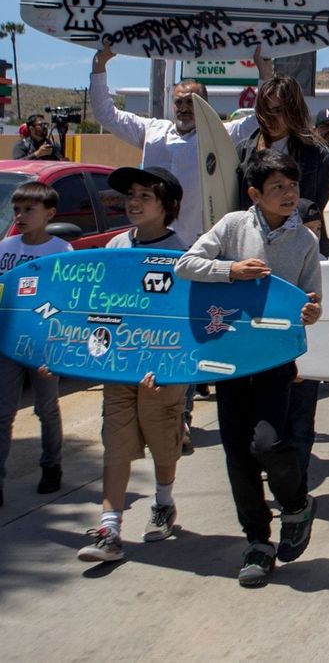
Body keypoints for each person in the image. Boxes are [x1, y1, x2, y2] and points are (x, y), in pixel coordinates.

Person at [176, 149, 323, 587]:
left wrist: (311, 313)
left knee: (267, 441)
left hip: (276, 357)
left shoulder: (306, 242)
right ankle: (258, 542)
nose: (288, 194)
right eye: (277, 187)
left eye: (293, 186)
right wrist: (230, 270)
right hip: (229, 358)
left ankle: (296, 505)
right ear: (255, 194)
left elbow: (312, 300)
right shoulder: (232, 227)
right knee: (237, 451)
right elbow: (186, 265)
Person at [76, 167, 189, 562]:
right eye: (130, 196)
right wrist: (69, 353)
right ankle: (109, 528)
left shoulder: (183, 252)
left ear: (167, 206)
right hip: (118, 366)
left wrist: (173, 369)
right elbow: (98, 309)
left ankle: (163, 502)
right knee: (117, 443)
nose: (133, 203)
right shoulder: (115, 247)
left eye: (145, 196)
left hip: (161, 370)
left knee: (162, 441)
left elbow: (185, 321)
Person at [234, 75, 329, 489]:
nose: (270, 118)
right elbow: (233, 209)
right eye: (264, 109)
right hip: (251, 277)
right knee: (256, 380)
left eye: (278, 110)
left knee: (299, 380)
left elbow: (324, 218)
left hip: (298, 276)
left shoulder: (315, 154)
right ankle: (266, 459)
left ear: (293, 110)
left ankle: (296, 472)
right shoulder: (245, 149)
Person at [90, 43, 271, 245]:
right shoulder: (152, 131)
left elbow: (260, 119)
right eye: (178, 102)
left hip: (198, 246)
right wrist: (99, 66)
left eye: (191, 102)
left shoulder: (219, 135)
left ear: (205, 105)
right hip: (153, 242)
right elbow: (105, 115)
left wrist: (264, 76)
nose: (183, 108)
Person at [0, 183, 70, 508]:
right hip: (8, 341)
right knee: (3, 413)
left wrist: (52, 334)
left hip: (44, 343)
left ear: (49, 214)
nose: (21, 216)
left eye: (29, 210)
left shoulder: (60, 251)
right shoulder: (6, 247)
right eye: (17, 209)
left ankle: (51, 464)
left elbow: (65, 300)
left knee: (46, 407)